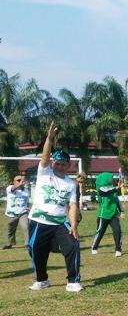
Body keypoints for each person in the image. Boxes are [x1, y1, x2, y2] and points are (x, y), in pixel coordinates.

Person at [27, 123, 82, 292]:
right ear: (53, 163)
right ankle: (42, 280)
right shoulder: (45, 173)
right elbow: (44, 157)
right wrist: (50, 139)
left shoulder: (71, 184)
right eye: (57, 163)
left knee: (73, 245)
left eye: (64, 164)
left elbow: (72, 205)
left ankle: (73, 281)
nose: (60, 166)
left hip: (60, 222)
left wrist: (73, 225)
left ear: (68, 166)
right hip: (39, 220)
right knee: (36, 249)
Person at [90, 172, 125, 256]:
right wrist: (116, 188)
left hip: (114, 214)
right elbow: (105, 192)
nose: (111, 180)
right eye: (110, 178)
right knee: (100, 231)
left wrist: (122, 211)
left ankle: (118, 249)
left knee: (117, 231)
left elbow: (117, 201)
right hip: (103, 215)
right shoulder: (101, 188)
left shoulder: (113, 189)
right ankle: (94, 247)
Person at [3, 174, 30, 249]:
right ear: (13, 182)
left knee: (26, 227)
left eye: (22, 180)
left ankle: (27, 244)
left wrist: (28, 208)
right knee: (11, 230)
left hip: (23, 213)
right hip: (12, 214)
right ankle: (10, 244)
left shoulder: (26, 190)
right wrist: (20, 183)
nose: (21, 182)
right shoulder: (10, 188)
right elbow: (14, 188)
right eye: (18, 180)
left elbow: (27, 202)